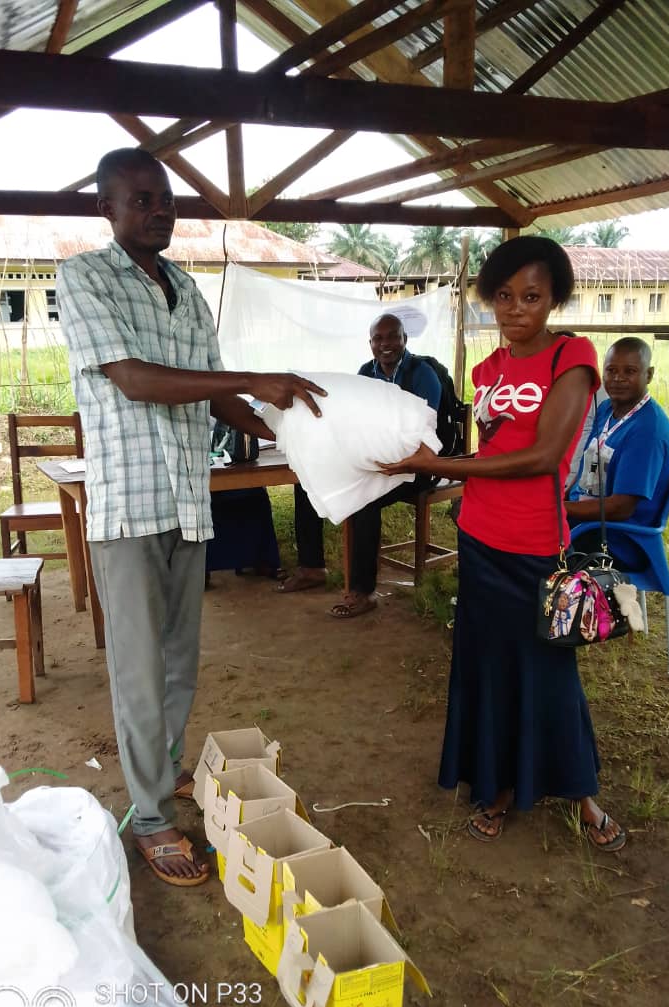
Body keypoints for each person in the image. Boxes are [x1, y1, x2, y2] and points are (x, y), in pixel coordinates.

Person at [56, 147, 324, 887]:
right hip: (130, 507)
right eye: (140, 200)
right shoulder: (84, 280)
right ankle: (148, 818)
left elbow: (212, 395)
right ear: (105, 209)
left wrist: (290, 427)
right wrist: (249, 377)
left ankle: (162, 771)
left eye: (165, 199)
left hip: (186, 500)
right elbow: (136, 380)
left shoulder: (184, 288)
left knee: (180, 660)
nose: (158, 210)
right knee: (139, 669)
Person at [379, 236, 626, 852]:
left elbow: (543, 458)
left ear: (554, 300)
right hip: (479, 538)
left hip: (535, 544)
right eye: (505, 296)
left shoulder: (572, 358)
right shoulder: (487, 370)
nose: (517, 309)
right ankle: (499, 786)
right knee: (488, 665)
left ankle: (581, 793)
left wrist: (446, 465)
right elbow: (489, 448)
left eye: (533, 297)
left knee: (549, 669)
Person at [277, 312, 442, 619]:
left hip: (417, 466)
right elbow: (354, 421)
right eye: (379, 338)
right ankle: (312, 568)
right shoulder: (366, 372)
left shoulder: (423, 373)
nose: (386, 344)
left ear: (405, 339)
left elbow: (424, 429)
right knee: (306, 482)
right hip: (373, 462)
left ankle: (362, 591)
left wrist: (391, 461)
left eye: (393, 336)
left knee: (363, 503)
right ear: (370, 344)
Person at [565, 337, 669, 569]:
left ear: (649, 374)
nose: (618, 378)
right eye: (611, 370)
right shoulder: (607, 408)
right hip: (588, 518)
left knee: (528, 545)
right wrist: (564, 496)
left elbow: (620, 508)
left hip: (617, 538)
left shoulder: (648, 430)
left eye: (630, 371)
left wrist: (558, 509)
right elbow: (588, 462)